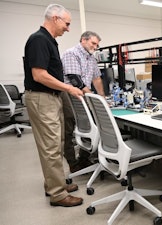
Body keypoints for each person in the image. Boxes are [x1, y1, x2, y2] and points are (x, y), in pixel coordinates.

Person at [23, 4, 84, 207]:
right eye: (66, 23)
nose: (68, 28)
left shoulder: (49, 41)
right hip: (42, 98)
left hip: (50, 97)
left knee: (56, 144)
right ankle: (58, 194)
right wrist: (68, 88)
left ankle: (54, 184)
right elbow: (39, 75)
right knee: (51, 147)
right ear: (55, 18)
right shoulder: (39, 40)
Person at [61, 31, 105, 173]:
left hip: (83, 94)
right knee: (68, 130)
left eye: (97, 45)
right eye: (93, 43)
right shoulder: (71, 53)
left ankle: (83, 159)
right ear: (83, 40)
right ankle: (73, 164)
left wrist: (102, 97)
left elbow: (97, 78)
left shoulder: (91, 58)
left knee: (87, 126)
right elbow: (75, 79)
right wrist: (93, 96)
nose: (95, 47)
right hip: (69, 94)